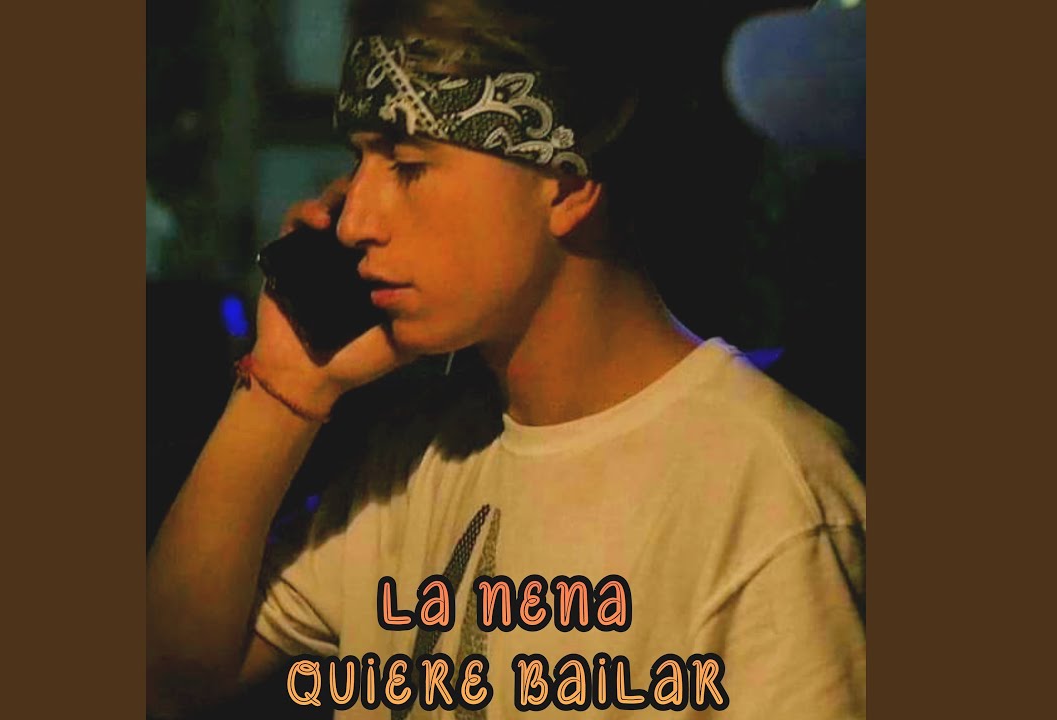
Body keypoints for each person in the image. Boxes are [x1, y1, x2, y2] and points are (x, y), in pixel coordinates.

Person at [147, 1, 865, 718]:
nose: (354, 219)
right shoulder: (421, 461)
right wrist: (285, 383)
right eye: (358, 162)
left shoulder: (766, 496)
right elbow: (166, 675)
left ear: (568, 184)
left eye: (408, 166)